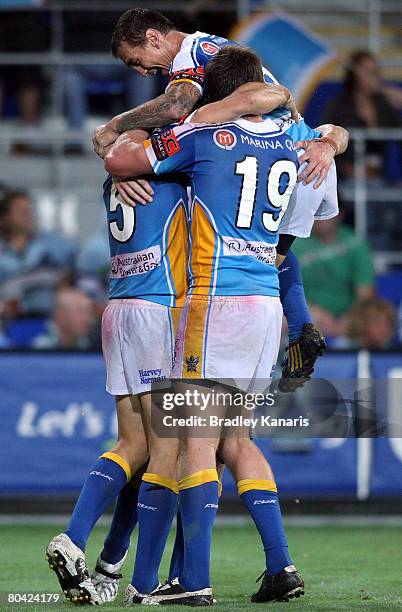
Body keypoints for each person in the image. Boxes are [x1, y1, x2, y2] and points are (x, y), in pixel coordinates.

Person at [105, 45, 305, 606]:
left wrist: (185, 120)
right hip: (267, 305)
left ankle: (193, 582)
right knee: (237, 439)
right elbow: (323, 144)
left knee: (194, 443)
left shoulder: (204, 136)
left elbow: (122, 162)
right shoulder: (288, 143)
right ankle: (277, 564)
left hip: (215, 304)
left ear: (217, 92)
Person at [92, 8, 349, 392]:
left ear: (153, 38)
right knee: (266, 254)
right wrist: (329, 141)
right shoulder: (220, 50)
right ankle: (299, 329)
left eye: (136, 61)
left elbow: (176, 110)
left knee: (226, 240)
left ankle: (252, 344)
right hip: (303, 157)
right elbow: (319, 120)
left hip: (261, 155)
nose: (141, 72)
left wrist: (116, 133)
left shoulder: (191, 55)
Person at [293, 216, 375, 341]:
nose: (320, 216)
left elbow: (365, 293)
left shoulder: (355, 243)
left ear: (340, 213)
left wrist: (349, 319)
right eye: (316, 211)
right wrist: (313, 313)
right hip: (309, 315)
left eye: (325, 210)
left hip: (350, 319)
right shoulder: (294, 244)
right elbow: (286, 291)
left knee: (377, 319)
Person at [0, 190, 74, 320]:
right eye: (20, 211)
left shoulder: (51, 244)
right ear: (4, 217)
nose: (27, 215)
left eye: (29, 210)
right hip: (8, 321)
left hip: (50, 319)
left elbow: (73, 269)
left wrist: (66, 282)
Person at [32, 287, 96, 350]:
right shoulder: (40, 347)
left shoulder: (85, 344)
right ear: (61, 315)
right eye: (81, 312)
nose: (88, 319)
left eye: (89, 312)